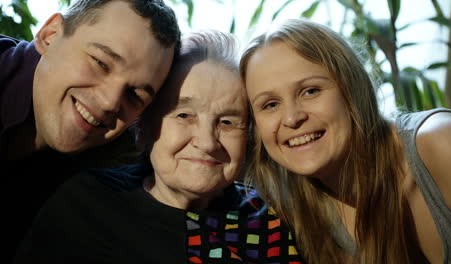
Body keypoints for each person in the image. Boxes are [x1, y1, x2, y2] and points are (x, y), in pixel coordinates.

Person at [13, 30, 305, 264]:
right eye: (183, 115)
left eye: (228, 122)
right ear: (145, 126)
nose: (206, 142)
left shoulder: (264, 218)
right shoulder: (86, 204)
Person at [240, 18, 451, 264]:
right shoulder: (290, 212)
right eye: (270, 104)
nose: (292, 118)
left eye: (311, 91)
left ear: (351, 87)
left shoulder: (445, 143)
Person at [1, 0, 180, 260]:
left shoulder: (111, 172)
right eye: (101, 63)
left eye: (134, 95)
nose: (110, 102)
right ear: (50, 35)